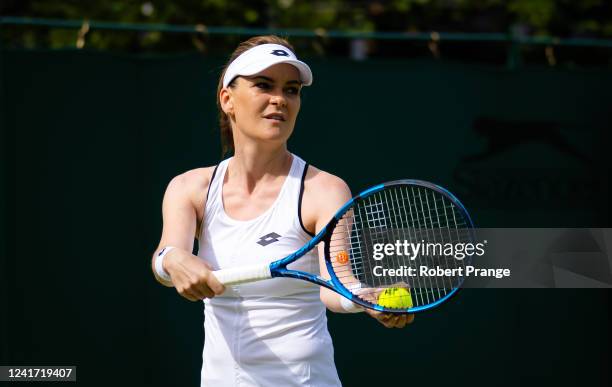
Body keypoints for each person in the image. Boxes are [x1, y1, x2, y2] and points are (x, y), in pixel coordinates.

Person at [151, 35, 414, 386]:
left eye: (291, 90)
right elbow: (165, 258)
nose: (280, 99)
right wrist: (172, 260)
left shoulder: (324, 190)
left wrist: (369, 299)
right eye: (264, 85)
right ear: (227, 99)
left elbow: (338, 286)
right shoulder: (189, 189)